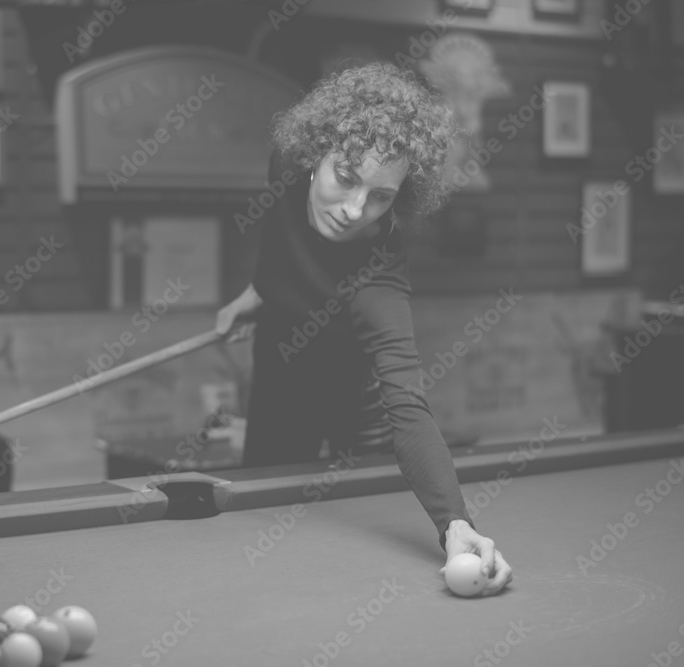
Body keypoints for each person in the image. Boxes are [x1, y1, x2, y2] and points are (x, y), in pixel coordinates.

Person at [216, 62, 513, 596]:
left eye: (382, 196)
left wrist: (456, 523)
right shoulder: (286, 159)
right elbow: (279, 233)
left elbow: (407, 400)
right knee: (261, 520)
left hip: (354, 389)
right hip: (282, 358)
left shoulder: (379, 275)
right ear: (313, 156)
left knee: (355, 512)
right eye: (346, 178)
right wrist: (260, 289)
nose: (355, 209)